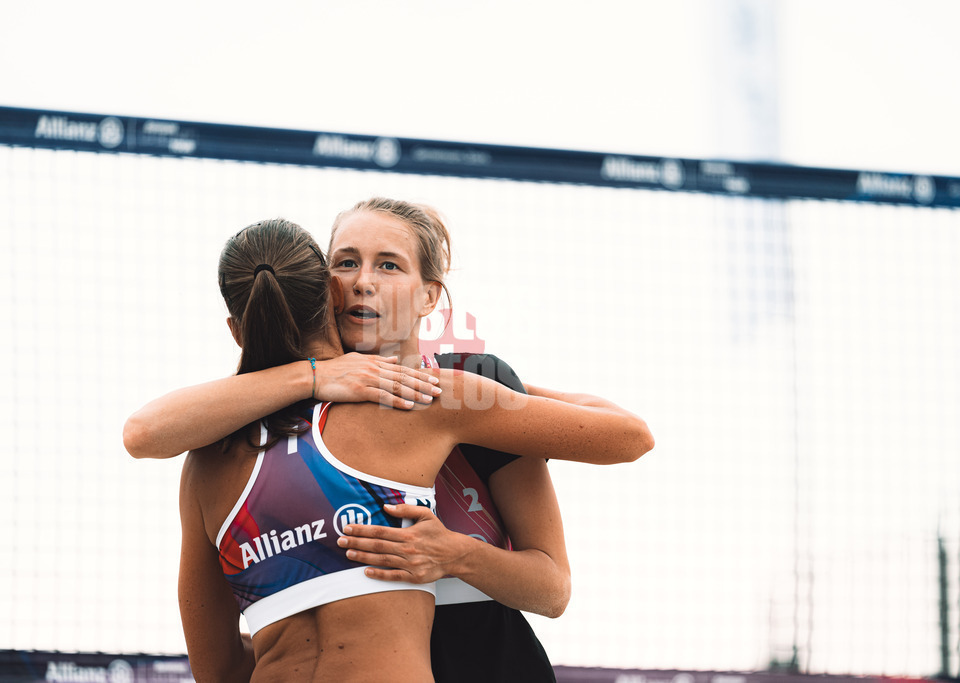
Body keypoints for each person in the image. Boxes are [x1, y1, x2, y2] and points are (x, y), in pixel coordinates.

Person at [124, 200, 654, 681]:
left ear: (429, 296)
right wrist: (314, 376)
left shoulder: (458, 390)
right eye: (346, 262)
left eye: (389, 264)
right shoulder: (239, 430)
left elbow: (556, 585)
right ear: (318, 285)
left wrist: (456, 554)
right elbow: (143, 433)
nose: (362, 282)